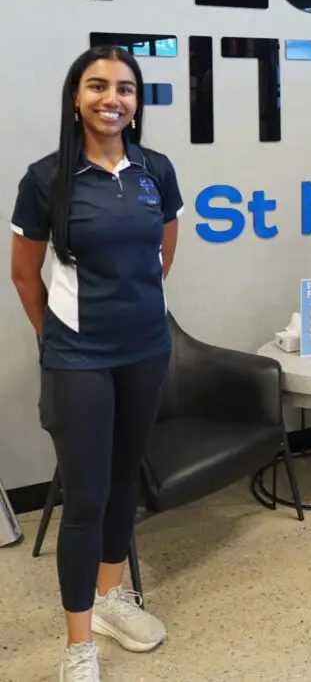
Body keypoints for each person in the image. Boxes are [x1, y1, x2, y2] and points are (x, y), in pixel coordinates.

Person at [10, 45, 184, 681]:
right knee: (84, 496)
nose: (113, 98)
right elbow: (24, 276)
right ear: (76, 98)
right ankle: (78, 642)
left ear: (137, 103)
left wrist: (133, 313)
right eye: (98, 86)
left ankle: (111, 599)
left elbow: (161, 255)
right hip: (78, 357)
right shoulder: (45, 179)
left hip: (144, 350)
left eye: (126, 89)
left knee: (121, 482)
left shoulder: (154, 170)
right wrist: (56, 339)